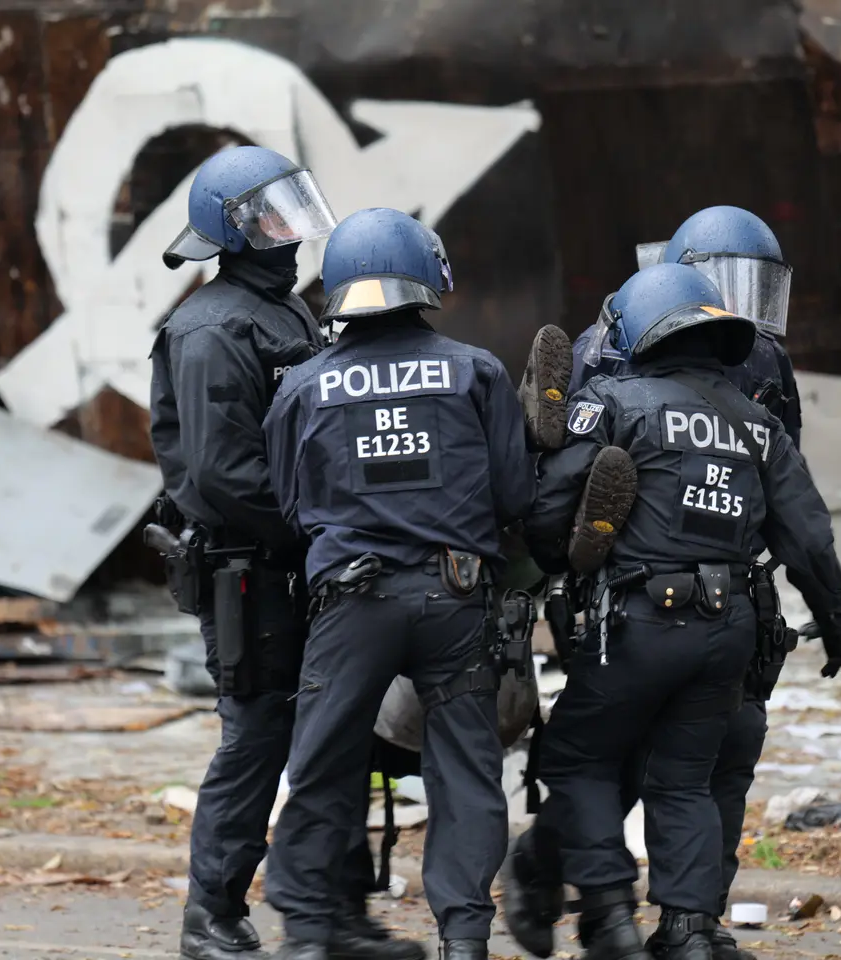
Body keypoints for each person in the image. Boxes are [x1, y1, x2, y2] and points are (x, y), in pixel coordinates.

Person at [515, 263, 841, 960]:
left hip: (640, 621)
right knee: (684, 779)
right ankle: (691, 933)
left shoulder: (612, 400)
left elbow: (549, 513)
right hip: (729, 629)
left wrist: (561, 561)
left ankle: (608, 918)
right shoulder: (759, 424)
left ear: (640, 332)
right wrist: (836, 622)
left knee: (577, 759)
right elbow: (809, 537)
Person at [261, 207, 569, 960]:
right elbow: (513, 498)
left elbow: (292, 506)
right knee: (464, 769)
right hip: (455, 596)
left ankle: (307, 933)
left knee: (324, 762)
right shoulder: (476, 371)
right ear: (428, 280)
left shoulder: (304, 387)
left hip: (350, 603)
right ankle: (463, 939)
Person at [149, 145, 394, 960]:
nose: (288, 230)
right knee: (256, 738)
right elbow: (224, 476)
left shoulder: (289, 311)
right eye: (268, 216)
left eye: (292, 208)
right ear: (231, 231)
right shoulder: (211, 326)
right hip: (250, 569)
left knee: (336, 736)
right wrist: (320, 533)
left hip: (304, 561)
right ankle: (211, 917)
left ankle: (340, 917)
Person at [569, 206, 802, 446]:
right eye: (728, 284)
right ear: (679, 274)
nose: (736, 304)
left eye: (756, 287)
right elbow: (565, 451)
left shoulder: (768, 356)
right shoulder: (611, 344)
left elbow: (786, 455)